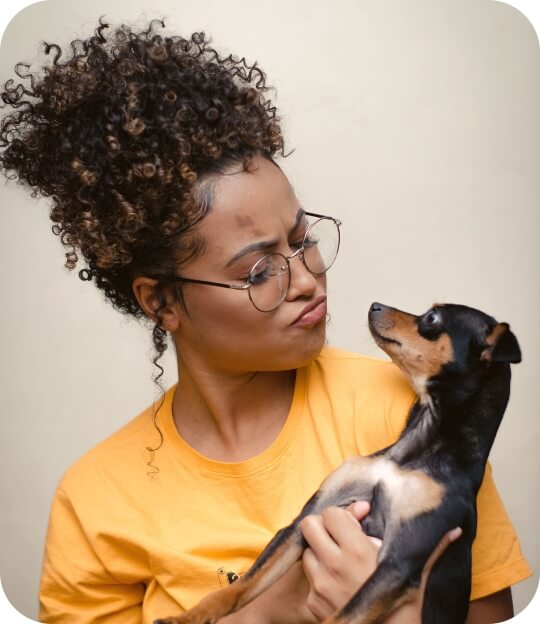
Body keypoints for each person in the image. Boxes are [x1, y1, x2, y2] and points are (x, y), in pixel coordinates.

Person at [0, 19, 531, 624]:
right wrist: (267, 610)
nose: (305, 278)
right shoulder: (96, 500)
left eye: (302, 240)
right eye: (257, 271)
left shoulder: (408, 411)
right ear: (161, 302)